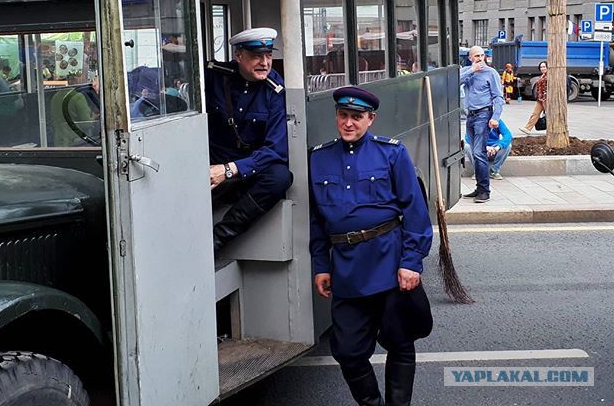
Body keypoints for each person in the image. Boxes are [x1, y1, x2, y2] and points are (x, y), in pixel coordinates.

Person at [309, 86, 433, 406]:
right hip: (346, 270)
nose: (349, 123)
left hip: (389, 264)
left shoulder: (391, 153)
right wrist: (321, 265)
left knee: (400, 340)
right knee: (347, 351)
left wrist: (412, 261)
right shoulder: (319, 158)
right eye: (343, 115)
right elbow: (316, 221)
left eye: (357, 117)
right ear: (336, 116)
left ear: (370, 119)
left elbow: (416, 212)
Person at [206, 27, 292, 255]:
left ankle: (217, 240)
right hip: (212, 168)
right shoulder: (214, 76)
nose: (265, 62)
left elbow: (276, 150)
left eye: (268, 55)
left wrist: (229, 170)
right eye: (256, 56)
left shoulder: (275, 90)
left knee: (280, 177)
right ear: (238, 56)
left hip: (249, 170)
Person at [459, 46, 505, 203]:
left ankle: (485, 191)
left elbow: (498, 97)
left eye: (482, 55)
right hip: (470, 116)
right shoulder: (467, 71)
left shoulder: (490, 73)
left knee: (479, 153)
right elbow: (454, 82)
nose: (480, 58)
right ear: (470, 58)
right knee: (474, 152)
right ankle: (479, 188)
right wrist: (471, 70)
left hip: (483, 115)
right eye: (476, 56)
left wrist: (495, 117)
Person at [520, 60, 547, 135]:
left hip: (546, 99)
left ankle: (554, 129)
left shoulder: (550, 76)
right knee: (535, 113)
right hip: (540, 99)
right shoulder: (542, 76)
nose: (542, 68)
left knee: (549, 115)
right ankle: (527, 128)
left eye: (544, 67)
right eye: (541, 67)